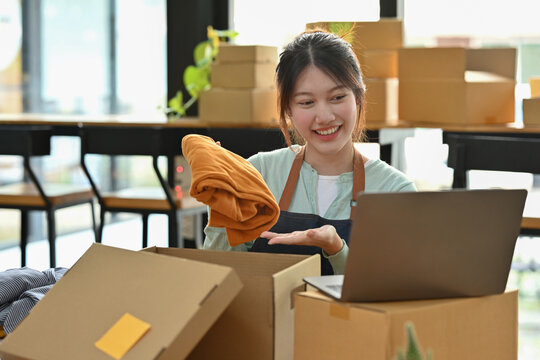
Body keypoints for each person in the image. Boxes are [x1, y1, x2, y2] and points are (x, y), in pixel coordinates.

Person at [203, 30, 416, 275]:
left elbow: (394, 291)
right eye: (306, 102)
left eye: (337, 97)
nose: (324, 116)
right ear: (288, 109)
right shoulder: (258, 174)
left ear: (358, 97)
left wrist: (336, 249)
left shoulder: (395, 192)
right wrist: (220, 209)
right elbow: (222, 276)